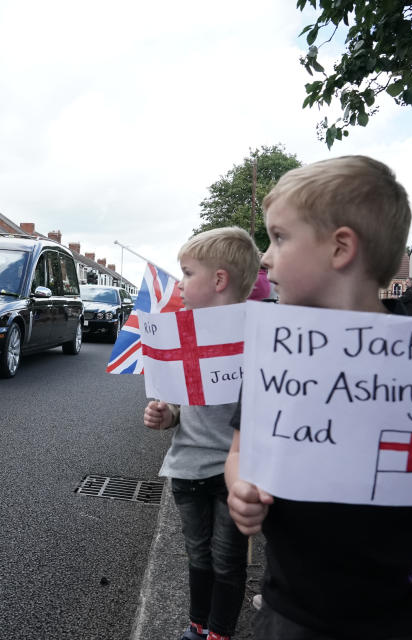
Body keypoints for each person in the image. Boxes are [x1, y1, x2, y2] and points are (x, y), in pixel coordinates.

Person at [225, 156, 412, 639]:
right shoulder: (278, 356)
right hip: (294, 612)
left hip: (410, 617)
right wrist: (241, 487)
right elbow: (243, 452)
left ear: (340, 247)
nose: (265, 257)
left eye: (280, 237)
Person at [142, 227, 260, 640]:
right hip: (188, 468)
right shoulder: (182, 331)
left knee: (228, 560)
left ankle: (220, 632)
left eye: (187, 273)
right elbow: (179, 402)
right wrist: (166, 414)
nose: (180, 285)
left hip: (235, 473)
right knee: (198, 555)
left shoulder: (258, 335)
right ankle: (198, 625)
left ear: (219, 280)